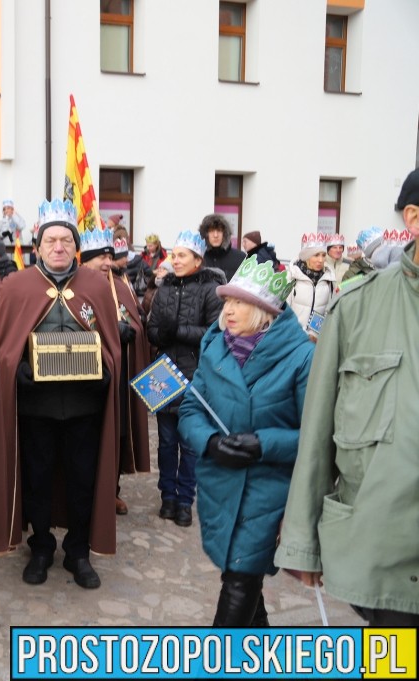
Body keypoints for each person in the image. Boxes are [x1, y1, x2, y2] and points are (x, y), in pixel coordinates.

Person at [274, 168, 419, 627]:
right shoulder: (357, 308)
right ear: (414, 217)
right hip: (384, 555)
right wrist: (301, 540)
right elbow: (317, 433)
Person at [0, 200, 122, 592]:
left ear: (75, 246)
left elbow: (112, 346)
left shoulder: (97, 285)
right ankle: (41, 547)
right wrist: (20, 371)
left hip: (84, 404)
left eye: (66, 240)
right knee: (37, 477)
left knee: (83, 478)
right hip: (37, 404)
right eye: (51, 240)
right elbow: (3, 345)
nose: (58, 247)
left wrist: (104, 371)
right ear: (38, 244)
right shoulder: (17, 285)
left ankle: (78, 552)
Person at [178, 255, 311, 626]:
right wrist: (210, 443)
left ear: (265, 309)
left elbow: (316, 437)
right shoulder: (215, 346)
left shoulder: (302, 357)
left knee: (238, 578)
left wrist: (263, 444)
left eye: (239, 302)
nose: (229, 309)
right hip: (221, 481)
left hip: (269, 490)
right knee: (242, 574)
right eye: (227, 301)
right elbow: (191, 409)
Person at [146, 230, 225, 527]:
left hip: (196, 374)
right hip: (164, 374)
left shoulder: (210, 289)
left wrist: (177, 331)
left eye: (181, 256)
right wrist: (160, 333)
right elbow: (151, 329)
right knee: (166, 442)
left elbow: (214, 332)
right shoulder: (164, 287)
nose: (174, 260)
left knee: (189, 443)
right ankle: (167, 496)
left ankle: (184, 500)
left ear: (197, 259)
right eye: (173, 255)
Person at [106, 237, 152, 515]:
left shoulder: (119, 285)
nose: (104, 262)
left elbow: (135, 320)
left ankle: (112, 490)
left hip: (119, 374)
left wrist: (127, 328)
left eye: (106, 256)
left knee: (118, 432)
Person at [286, 233, 337, 339]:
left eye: (323, 255)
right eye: (316, 255)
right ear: (307, 257)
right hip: (293, 337)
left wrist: (314, 334)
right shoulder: (293, 276)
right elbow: (284, 310)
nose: (321, 260)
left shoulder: (329, 280)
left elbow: (328, 312)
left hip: (316, 340)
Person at [199, 213, 245, 282]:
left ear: (225, 233)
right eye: (211, 231)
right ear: (205, 234)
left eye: (219, 231)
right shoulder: (198, 258)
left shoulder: (240, 258)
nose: (215, 235)